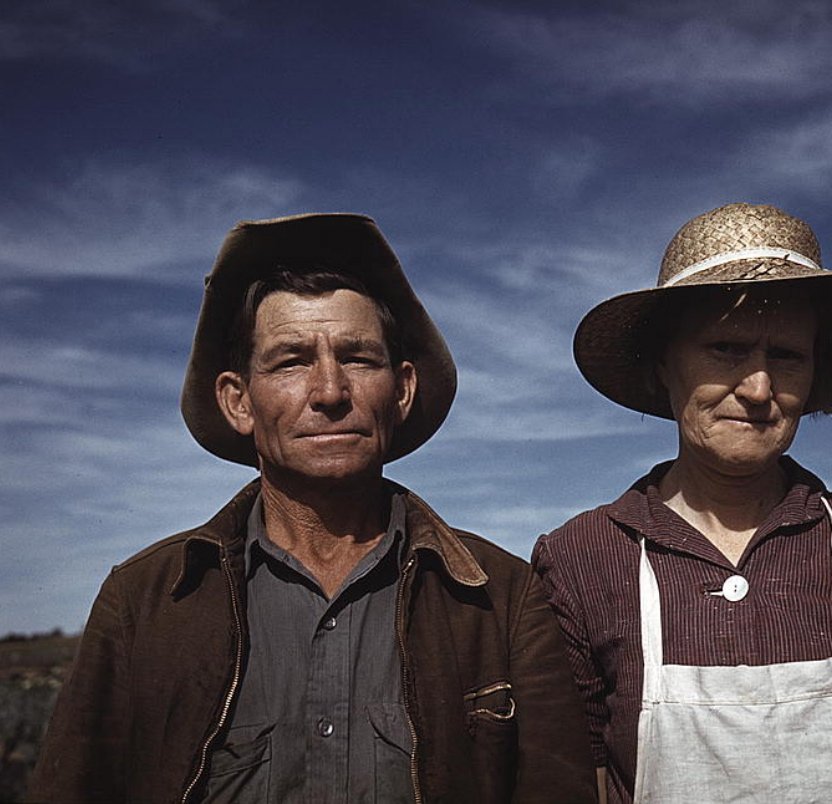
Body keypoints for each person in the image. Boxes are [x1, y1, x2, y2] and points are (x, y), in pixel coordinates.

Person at [31, 213, 595, 804]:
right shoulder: (143, 602)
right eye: (291, 361)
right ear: (238, 401)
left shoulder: (503, 598)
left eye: (359, 358)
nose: (329, 391)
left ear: (402, 390)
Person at [532, 203, 832, 803]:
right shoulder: (582, 557)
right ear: (664, 366)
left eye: (787, 356)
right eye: (726, 349)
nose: (759, 388)